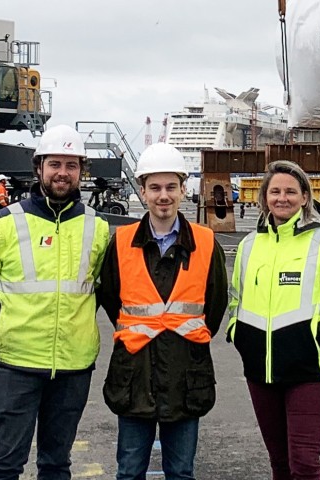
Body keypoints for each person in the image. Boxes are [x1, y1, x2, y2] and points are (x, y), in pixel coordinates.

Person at [0, 125, 114, 480]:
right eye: (54, 164)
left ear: (82, 171)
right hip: (16, 364)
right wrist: (8, 323)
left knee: (55, 465)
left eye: (71, 165)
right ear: (39, 168)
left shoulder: (98, 228)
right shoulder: (3, 224)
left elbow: (100, 290)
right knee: (4, 466)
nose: (62, 173)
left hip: (72, 366)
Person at [97, 143, 228, 480]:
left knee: (181, 472)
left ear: (184, 190)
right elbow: (112, 299)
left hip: (186, 374)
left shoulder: (206, 242)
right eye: (155, 188)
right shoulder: (122, 242)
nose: (163, 196)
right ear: (142, 192)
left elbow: (215, 305)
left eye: (171, 187)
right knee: (129, 472)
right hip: (135, 376)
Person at [228, 160, 320, 480]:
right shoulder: (249, 246)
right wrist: (237, 331)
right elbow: (236, 297)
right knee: (279, 463)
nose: (282, 198)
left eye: (290, 191)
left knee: (303, 463)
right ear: (264, 198)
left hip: (308, 370)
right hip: (260, 370)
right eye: (274, 191)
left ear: (305, 197)